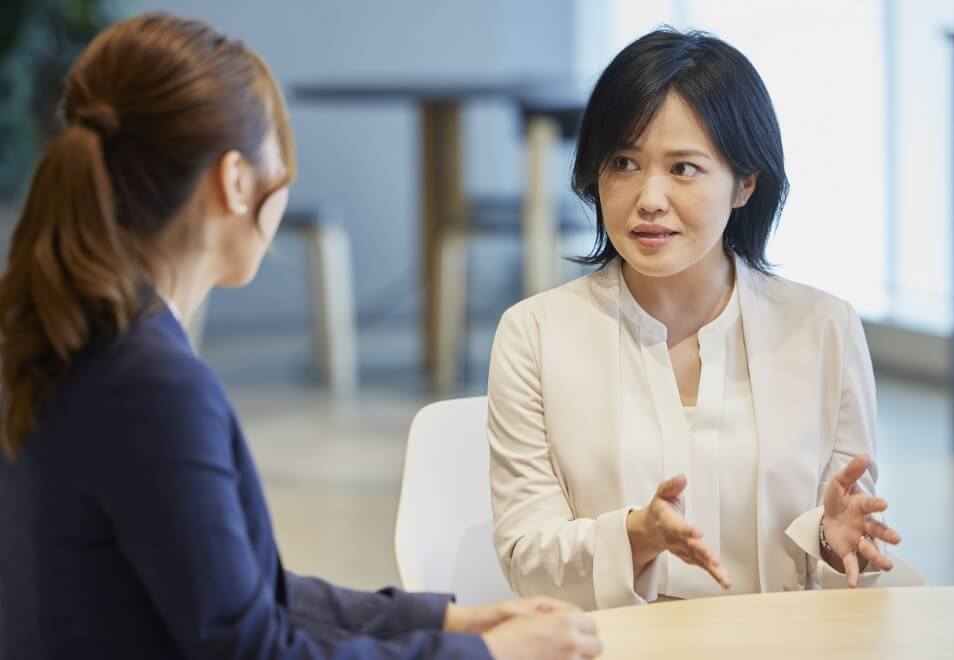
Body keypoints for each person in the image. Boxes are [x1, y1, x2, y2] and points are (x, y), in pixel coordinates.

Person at [0, 13, 602, 659]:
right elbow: (256, 648)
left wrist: (452, 623)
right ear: (235, 181)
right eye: (281, 157)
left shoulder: (64, 336)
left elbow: (233, 588)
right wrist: (495, 655)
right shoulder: (151, 385)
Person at [487, 27, 903, 611]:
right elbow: (527, 559)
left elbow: (845, 561)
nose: (649, 197)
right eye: (624, 163)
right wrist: (635, 535)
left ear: (745, 184)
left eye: (683, 168)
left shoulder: (823, 328)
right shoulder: (534, 334)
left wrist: (836, 545)